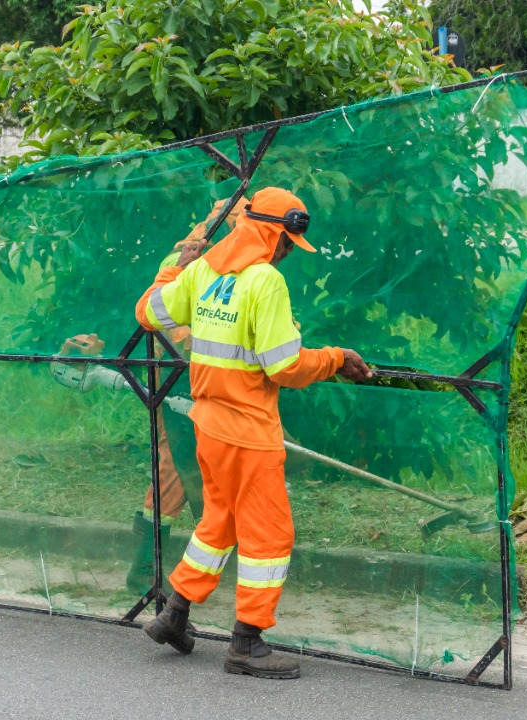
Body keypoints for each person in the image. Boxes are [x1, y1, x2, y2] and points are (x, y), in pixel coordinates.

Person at [133, 186, 373, 679]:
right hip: (249, 432)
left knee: (218, 523)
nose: (287, 251)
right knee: (270, 534)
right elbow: (284, 364)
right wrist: (336, 359)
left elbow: (149, 312)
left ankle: (174, 614)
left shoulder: (204, 271)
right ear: (268, 232)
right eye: (285, 241)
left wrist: (176, 264)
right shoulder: (265, 282)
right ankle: (247, 642)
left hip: (209, 428)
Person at [50, 201, 246, 593]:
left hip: (205, 383)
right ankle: (144, 571)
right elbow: (172, 320)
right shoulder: (193, 257)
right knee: (174, 471)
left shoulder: (231, 258)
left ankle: (212, 563)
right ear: (230, 224)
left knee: (215, 470)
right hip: (179, 382)